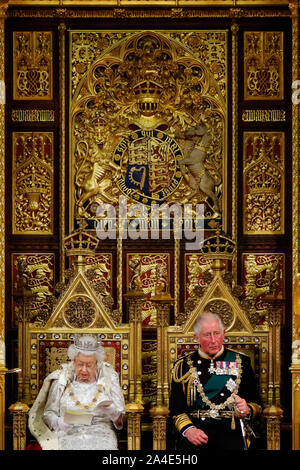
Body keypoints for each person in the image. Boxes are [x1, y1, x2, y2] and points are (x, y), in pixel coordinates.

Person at [169, 312, 262, 450]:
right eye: (207, 335)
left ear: (224, 333)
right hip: (196, 432)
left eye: (217, 333)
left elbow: (257, 403)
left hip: (231, 432)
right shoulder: (182, 366)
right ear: (196, 337)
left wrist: (247, 408)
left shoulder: (241, 362)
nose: (214, 340)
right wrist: (189, 430)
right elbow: (176, 408)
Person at [28, 334, 125, 450]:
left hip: (101, 434)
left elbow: (122, 421)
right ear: (73, 361)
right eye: (80, 364)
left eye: (89, 365)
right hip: (68, 434)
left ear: (97, 363)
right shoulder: (61, 379)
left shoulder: (109, 378)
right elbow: (48, 413)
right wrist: (58, 422)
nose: (84, 369)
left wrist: (114, 413)